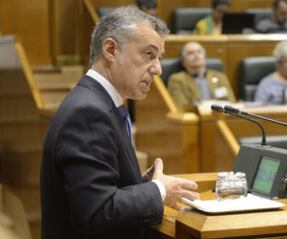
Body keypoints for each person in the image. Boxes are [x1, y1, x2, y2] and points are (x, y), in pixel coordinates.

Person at [40, 6, 199, 239]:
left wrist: (140, 183)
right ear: (111, 49)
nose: (157, 69)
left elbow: (99, 188)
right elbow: (97, 211)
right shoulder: (87, 112)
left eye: (159, 58)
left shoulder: (100, 103)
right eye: (148, 54)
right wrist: (159, 190)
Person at [168, 41, 236, 111]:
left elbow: (231, 102)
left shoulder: (220, 77)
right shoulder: (177, 79)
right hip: (194, 119)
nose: (196, 55)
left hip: (220, 117)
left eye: (199, 52)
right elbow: (181, 107)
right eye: (190, 53)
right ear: (183, 61)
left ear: (205, 56)